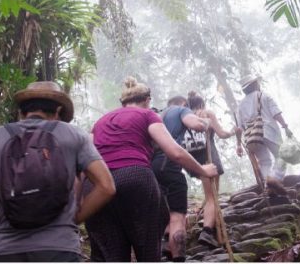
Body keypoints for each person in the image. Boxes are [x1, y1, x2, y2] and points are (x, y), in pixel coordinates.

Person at [0, 81, 116, 262]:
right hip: (59, 248)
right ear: (58, 111)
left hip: (6, 250)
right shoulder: (74, 135)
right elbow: (107, 186)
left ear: (20, 112)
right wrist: (74, 219)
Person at [85, 77, 217, 262]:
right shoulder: (147, 115)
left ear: (122, 103)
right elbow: (175, 152)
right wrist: (204, 170)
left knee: (109, 254)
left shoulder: (100, 122)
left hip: (97, 185)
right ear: (147, 100)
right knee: (148, 250)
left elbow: (85, 156)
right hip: (135, 176)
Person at [151, 95, 210, 261]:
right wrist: (206, 122)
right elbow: (196, 124)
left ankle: (165, 248)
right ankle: (178, 258)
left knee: (163, 211)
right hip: (168, 164)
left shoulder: (157, 115)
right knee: (178, 216)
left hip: (150, 167)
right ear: (184, 104)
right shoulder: (181, 110)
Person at [185, 90, 235, 248]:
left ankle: (212, 226)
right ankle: (207, 231)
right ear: (202, 103)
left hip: (193, 160)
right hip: (209, 157)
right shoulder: (207, 113)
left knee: (210, 195)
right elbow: (221, 134)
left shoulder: (186, 116)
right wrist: (233, 131)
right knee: (213, 196)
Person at [235, 74, 293, 181]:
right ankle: (274, 181)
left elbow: (239, 128)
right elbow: (276, 114)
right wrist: (285, 126)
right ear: (254, 84)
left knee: (265, 162)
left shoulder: (241, 106)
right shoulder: (264, 96)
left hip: (252, 136)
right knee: (281, 157)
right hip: (269, 131)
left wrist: (239, 144)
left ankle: (268, 185)